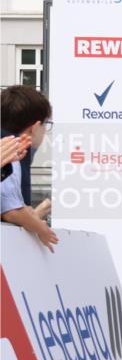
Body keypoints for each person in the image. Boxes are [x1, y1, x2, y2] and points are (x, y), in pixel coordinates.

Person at [1, 86, 58, 251]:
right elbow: (11, 211)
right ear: (34, 127)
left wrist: (35, 214)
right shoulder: (11, 152)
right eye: (46, 125)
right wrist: (42, 229)